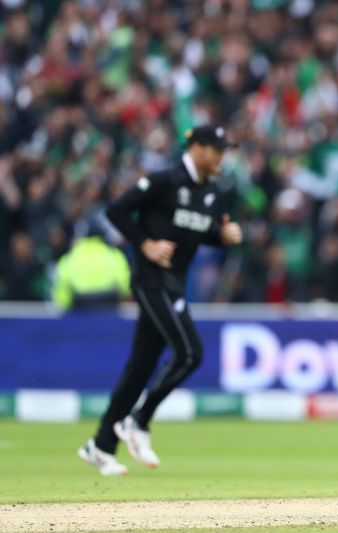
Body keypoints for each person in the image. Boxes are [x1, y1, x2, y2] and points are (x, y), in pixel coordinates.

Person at [78, 125, 243, 476]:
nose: (221, 156)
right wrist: (145, 244)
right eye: (216, 149)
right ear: (197, 148)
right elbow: (116, 210)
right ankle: (138, 420)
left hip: (175, 284)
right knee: (190, 353)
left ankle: (101, 444)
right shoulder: (164, 181)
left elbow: (199, 231)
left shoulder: (212, 192)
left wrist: (222, 236)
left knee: (140, 366)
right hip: (152, 282)